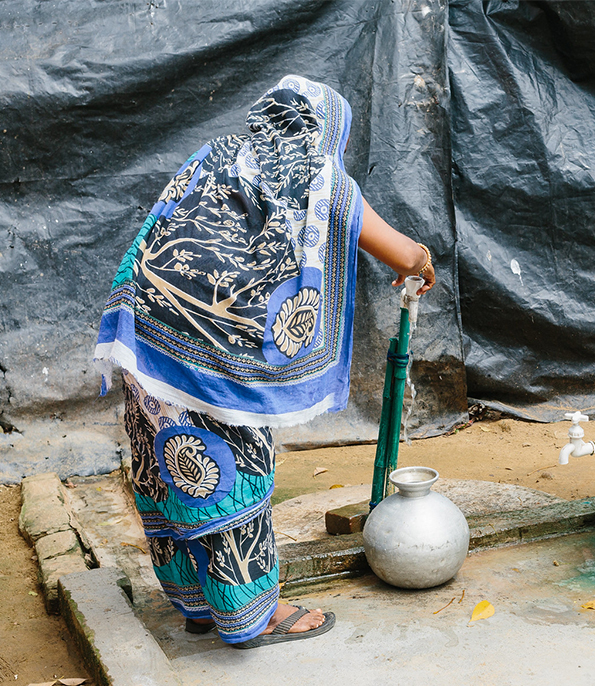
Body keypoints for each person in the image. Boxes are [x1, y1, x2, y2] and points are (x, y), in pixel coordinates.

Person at [93, 75, 436, 649]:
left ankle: (199, 606)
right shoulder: (322, 181)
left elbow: (163, 222)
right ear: (328, 132)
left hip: (144, 327)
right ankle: (254, 614)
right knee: (232, 467)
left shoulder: (217, 154)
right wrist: (421, 264)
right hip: (219, 348)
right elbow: (403, 253)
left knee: (169, 463)